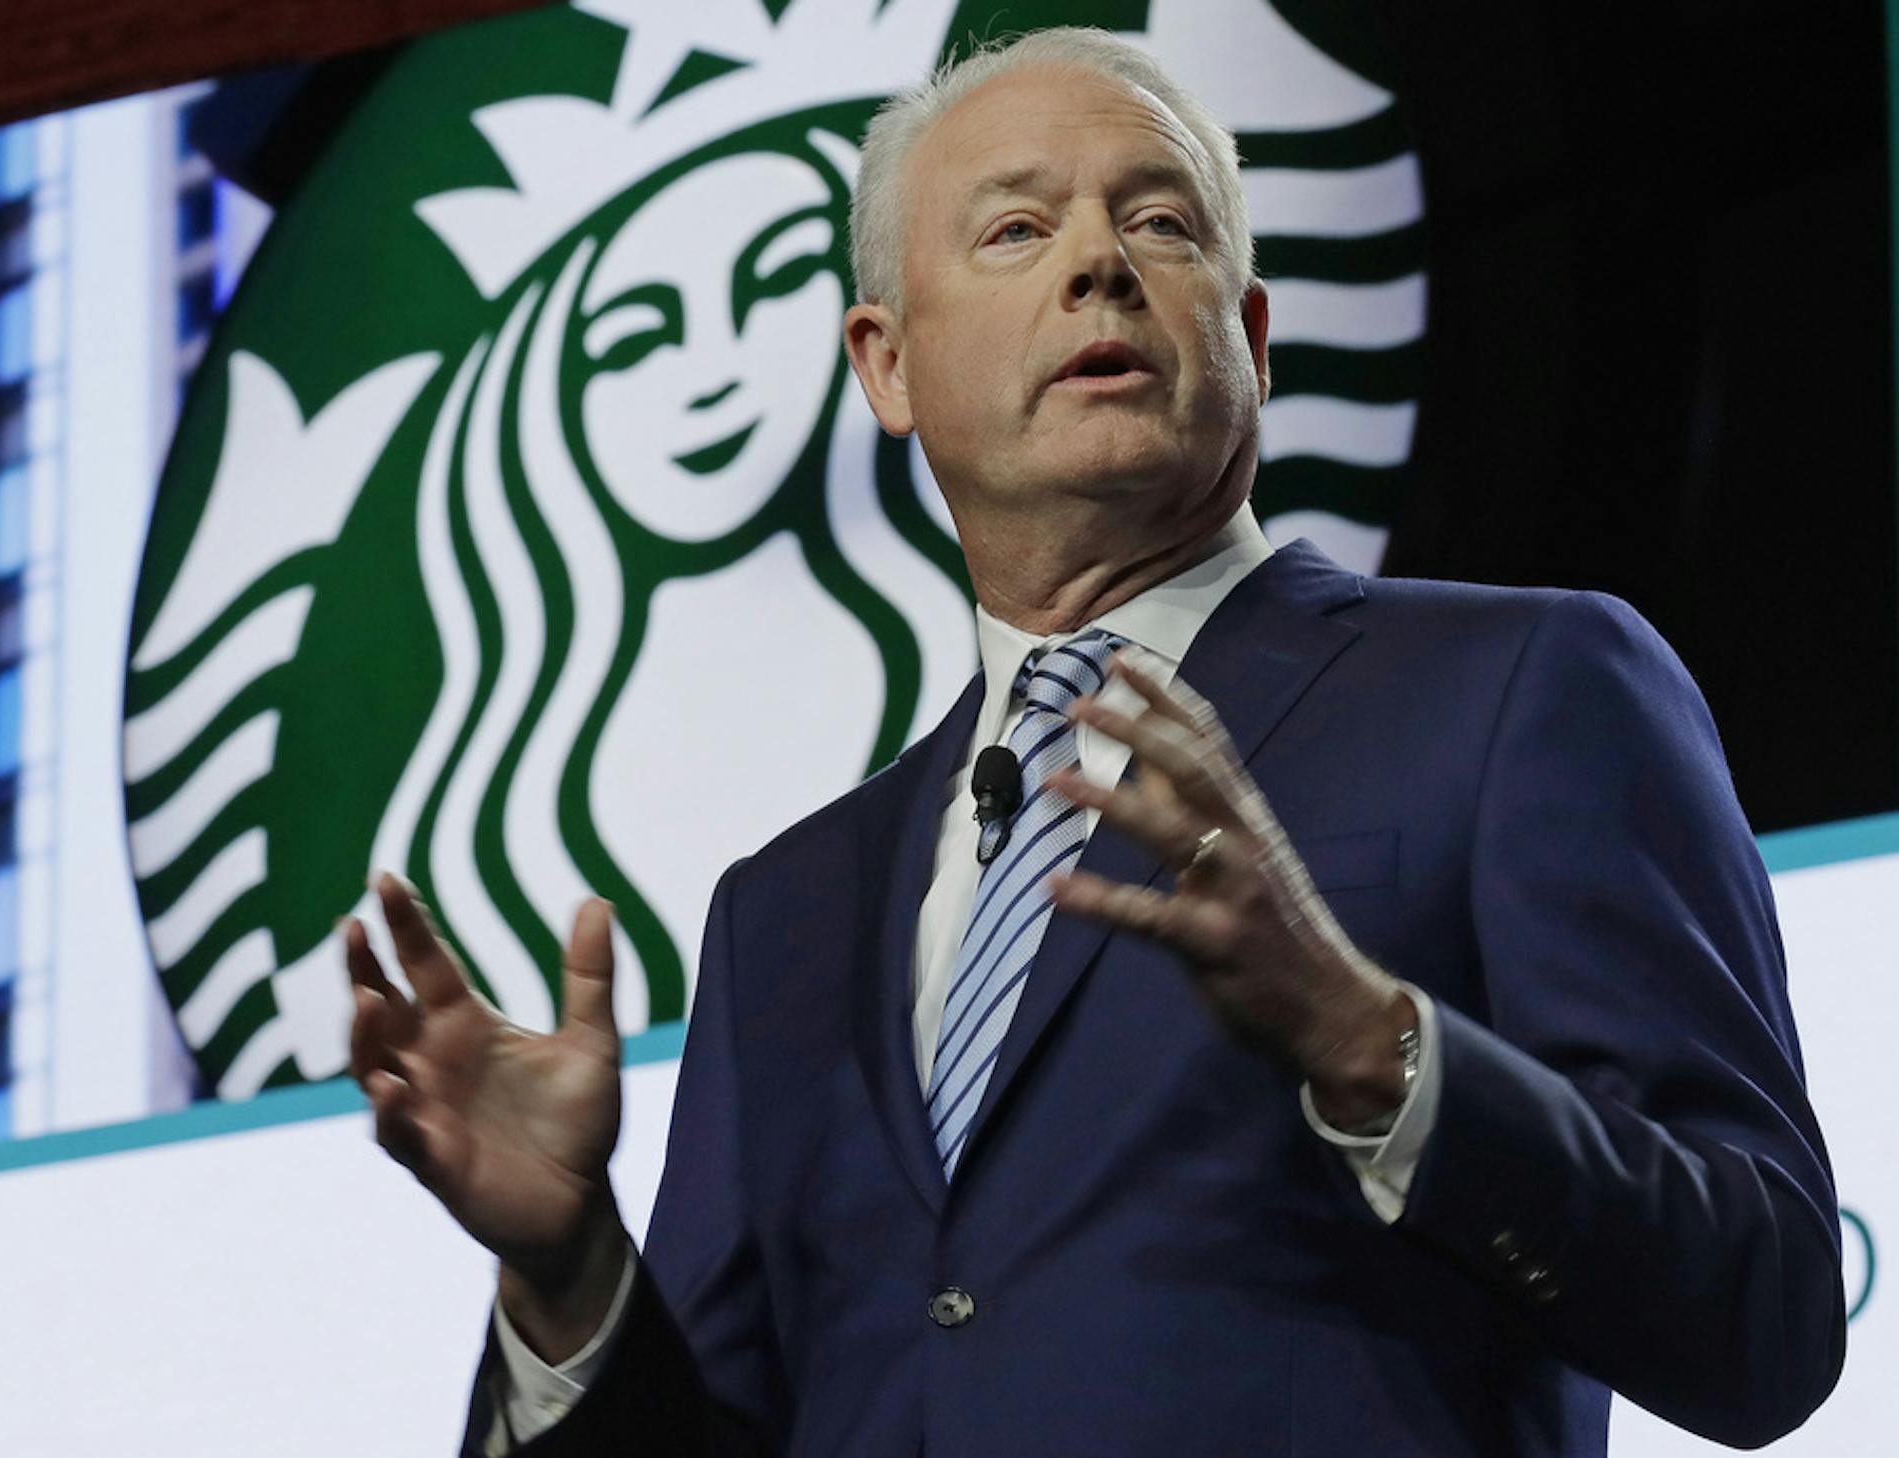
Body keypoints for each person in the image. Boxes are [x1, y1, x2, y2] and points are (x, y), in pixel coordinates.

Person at [341, 27, 1845, 1456]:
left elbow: (1765, 1305)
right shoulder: (785, 913)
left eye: (1163, 225)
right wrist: (564, 1275)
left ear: (1249, 335)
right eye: (1014, 232)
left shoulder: (1524, 686)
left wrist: (1377, 1048)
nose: (1099, 267)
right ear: (889, 364)